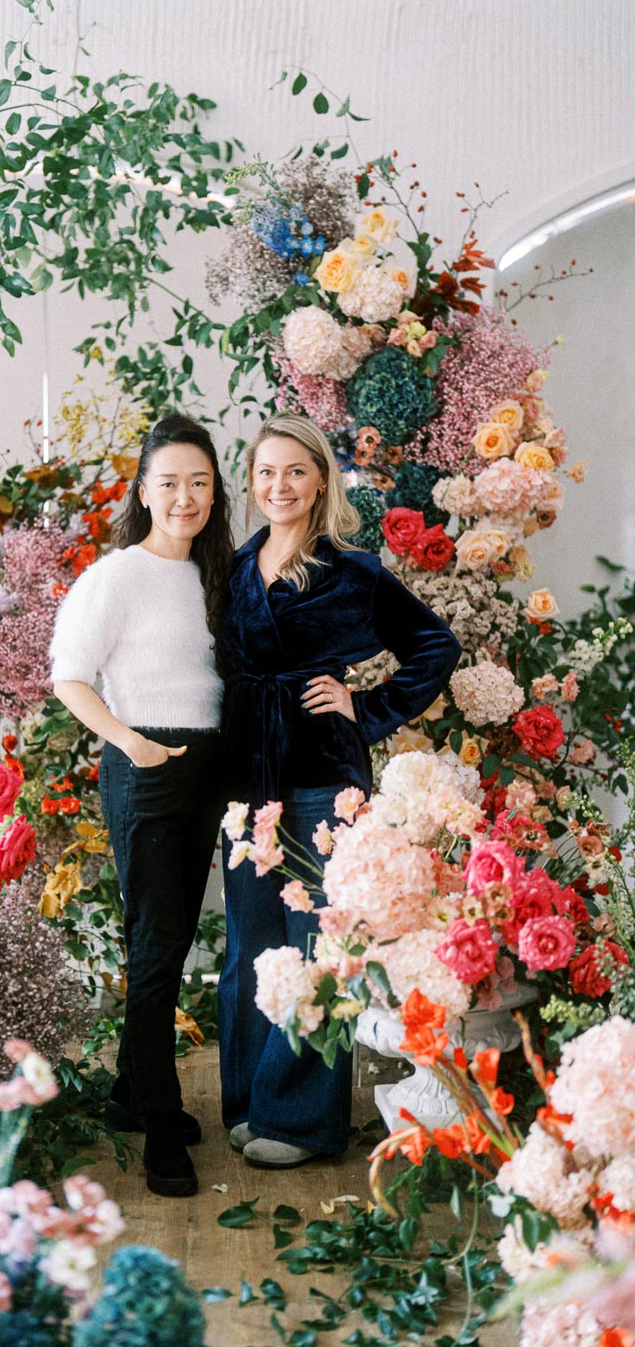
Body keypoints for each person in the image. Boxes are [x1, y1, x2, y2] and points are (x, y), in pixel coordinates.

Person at [217, 411, 461, 1169]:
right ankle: (251, 1101)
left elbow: (435, 645)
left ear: (322, 478)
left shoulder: (352, 572)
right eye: (266, 472)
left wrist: (368, 707)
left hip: (324, 780)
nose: (279, 485)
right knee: (250, 948)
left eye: (295, 470)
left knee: (316, 946)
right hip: (245, 779)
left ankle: (301, 1122)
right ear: (251, 486)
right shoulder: (232, 568)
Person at [49, 414, 233, 1197]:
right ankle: (163, 1127)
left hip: (210, 767)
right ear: (144, 491)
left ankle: (129, 1093)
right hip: (148, 764)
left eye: (199, 481)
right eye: (170, 483)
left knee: (173, 935)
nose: (185, 497)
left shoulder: (220, 573)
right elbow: (70, 677)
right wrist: (132, 743)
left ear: (215, 490)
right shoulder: (116, 575)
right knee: (156, 952)